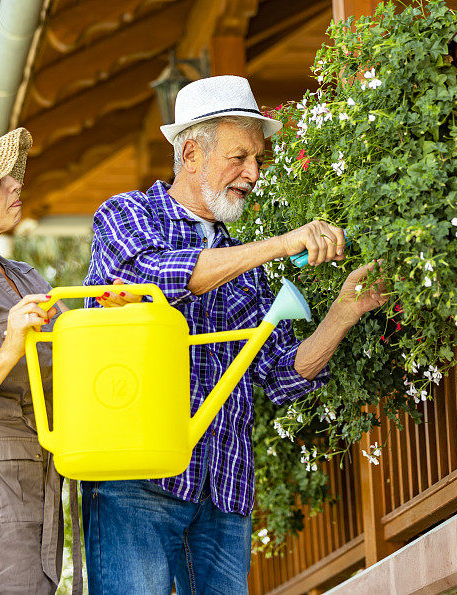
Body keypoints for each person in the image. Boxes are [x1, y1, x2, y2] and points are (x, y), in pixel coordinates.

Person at [81, 75, 388, 594]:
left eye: (259, 162)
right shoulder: (126, 215)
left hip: (221, 490)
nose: (253, 174)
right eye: (240, 157)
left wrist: (342, 313)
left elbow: (282, 375)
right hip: (135, 480)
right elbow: (156, 277)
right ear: (193, 153)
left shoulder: (243, 265)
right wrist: (280, 243)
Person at [0, 128, 137, 593]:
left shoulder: (24, 277)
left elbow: (78, 363)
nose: (15, 184)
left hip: (29, 487)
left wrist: (113, 315)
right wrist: (10, 348)